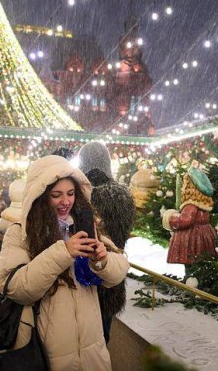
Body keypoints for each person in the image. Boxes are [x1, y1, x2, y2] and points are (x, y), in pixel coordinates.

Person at [0, 155, 129, 370]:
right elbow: (15, 287)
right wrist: (62, 253)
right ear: (40, 196)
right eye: (56, 195)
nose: (65, 201)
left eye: (70, 193)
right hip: (47, 351)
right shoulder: (21, 233)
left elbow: (118, 272)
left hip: (92, 349)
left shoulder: (85, 226)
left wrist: (102, 260)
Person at [78, 141, 135, 343]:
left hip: (83, 278)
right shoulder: (123, 195)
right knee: (103, 338)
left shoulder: (81, 195)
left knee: (83, 341)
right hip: (112, 277)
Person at [162, 162, 217, 264]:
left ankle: (190, 276)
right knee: (201, 261)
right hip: (204, 235)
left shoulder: (191, 205)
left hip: (192, 238)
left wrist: (170, 218)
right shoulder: (203, 205)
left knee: (192, 260)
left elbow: (185, 220)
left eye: (184, 184)